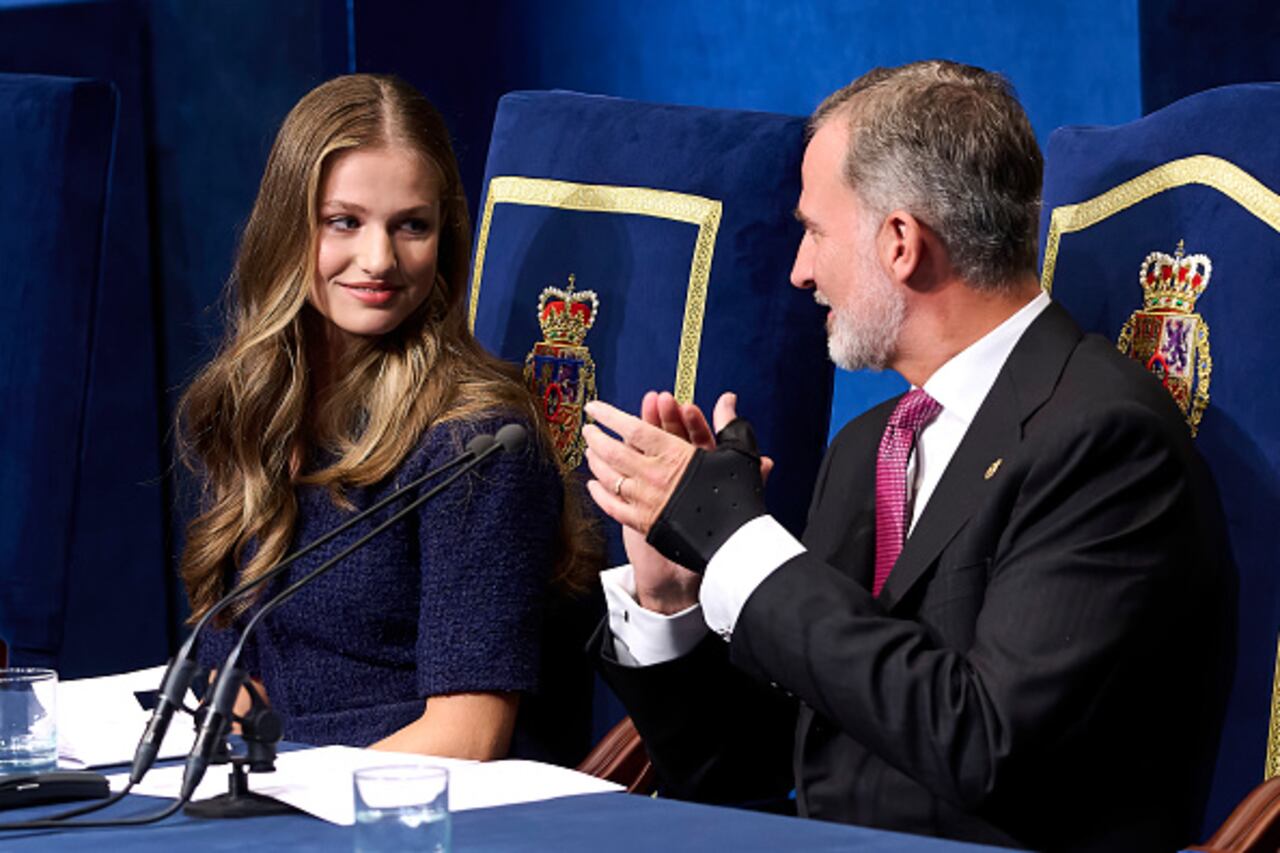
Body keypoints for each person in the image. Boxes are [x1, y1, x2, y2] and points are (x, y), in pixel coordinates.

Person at [580, 60, 1229, 851]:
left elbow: (988, 745)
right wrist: (679, 591)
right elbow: (747, 770)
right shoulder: (870, 446)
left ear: (899, 243)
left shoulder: (1105, 441)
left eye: (815, 231)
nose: (800, 270)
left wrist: (740, 543)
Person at [177, 74, 596, 763]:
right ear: (288, 226)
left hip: (412, 815)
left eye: (412, 225)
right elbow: (231, 680)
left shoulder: (477, 443)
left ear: (444, 238)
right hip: (266, 796)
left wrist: (293, 806)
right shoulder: (245, 407)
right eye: (344, 221)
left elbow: (469, 737)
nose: (379, 259)